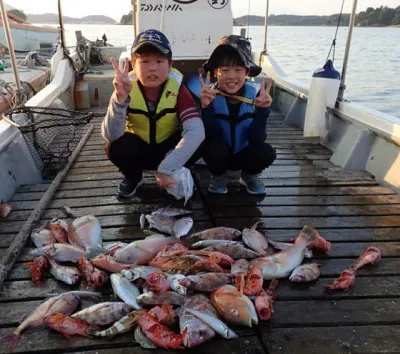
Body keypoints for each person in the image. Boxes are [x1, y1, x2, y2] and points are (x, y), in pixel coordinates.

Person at [102, 29, 205, 197]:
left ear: (170, 64)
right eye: (144, 61)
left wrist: (166, 168)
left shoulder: (178, 88)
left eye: (159, 61)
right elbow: (110, 134)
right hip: (139, 150)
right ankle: (133, 177)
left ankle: (174, 173)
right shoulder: (125, 87)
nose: (152, 68)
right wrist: (119, 100)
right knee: (115, 146)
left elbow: (196, 131)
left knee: (200, 141)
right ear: (133, 65)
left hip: (168, 150)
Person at [199, 35, 276, 195]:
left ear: (247, 72)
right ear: (216, 72)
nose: (231, 76)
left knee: (266, 151)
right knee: (210, 147)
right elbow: (212, 136)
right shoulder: (209, 95)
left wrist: (263, 111)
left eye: (238, 70)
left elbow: (257, 139)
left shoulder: (255, 96)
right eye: (225, 70)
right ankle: (218, 177)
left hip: (244, 153)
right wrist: (206, 108)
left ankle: (249, 175)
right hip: (220, 155)